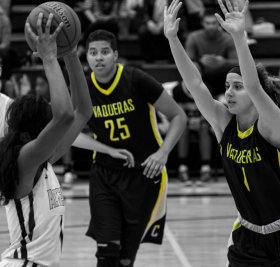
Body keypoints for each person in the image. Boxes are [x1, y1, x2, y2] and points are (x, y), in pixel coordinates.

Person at [164, 0, 280, 265]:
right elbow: (194, 83)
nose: (228, 92)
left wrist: (238, 37)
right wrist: (172, 39)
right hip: (247, 237)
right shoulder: (224, 124)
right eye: (227, 86)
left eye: (237, 87)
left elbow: (254, 84)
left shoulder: (272, 124)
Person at [78, 29, 186, 267]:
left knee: (125, 259)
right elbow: (69, 133)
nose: (98, 58)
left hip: (144, 174)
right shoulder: (82, 89)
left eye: (105, 52)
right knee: (106, 252)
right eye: (93, 53)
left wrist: (162, 153)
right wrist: (107, 150)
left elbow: (179, 116)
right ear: (86, 57)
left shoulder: (136, 79)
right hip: (104, 174)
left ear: (115, 55)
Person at [0, 13, 93, 267]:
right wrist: (50, 57)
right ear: (37, 129)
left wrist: (71, 53)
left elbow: (82, 111)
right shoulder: (24, 159)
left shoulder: (43, 160)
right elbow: (64, 115)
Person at [185, 8, 238, 97]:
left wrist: (224, 62)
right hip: (202, 78)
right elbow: (186, 62)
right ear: (202, 23)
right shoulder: (193, 37)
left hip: (224, 77)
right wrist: (200, 61)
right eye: (208, 23)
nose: (211, 26)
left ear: (219, 23)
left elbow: (237, 62)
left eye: (214, 23)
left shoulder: (228, 39)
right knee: (194, 65)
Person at [171, 80, 213, 185]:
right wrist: (188, 121)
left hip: (203, 121)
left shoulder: (207, 88)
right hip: (184, 121)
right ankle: (182, 168)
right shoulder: (177, 90)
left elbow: (212, 109)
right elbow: (176, 112)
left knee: (204, 128)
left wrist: (201, 120)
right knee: (182, 128)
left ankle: (206, 168)